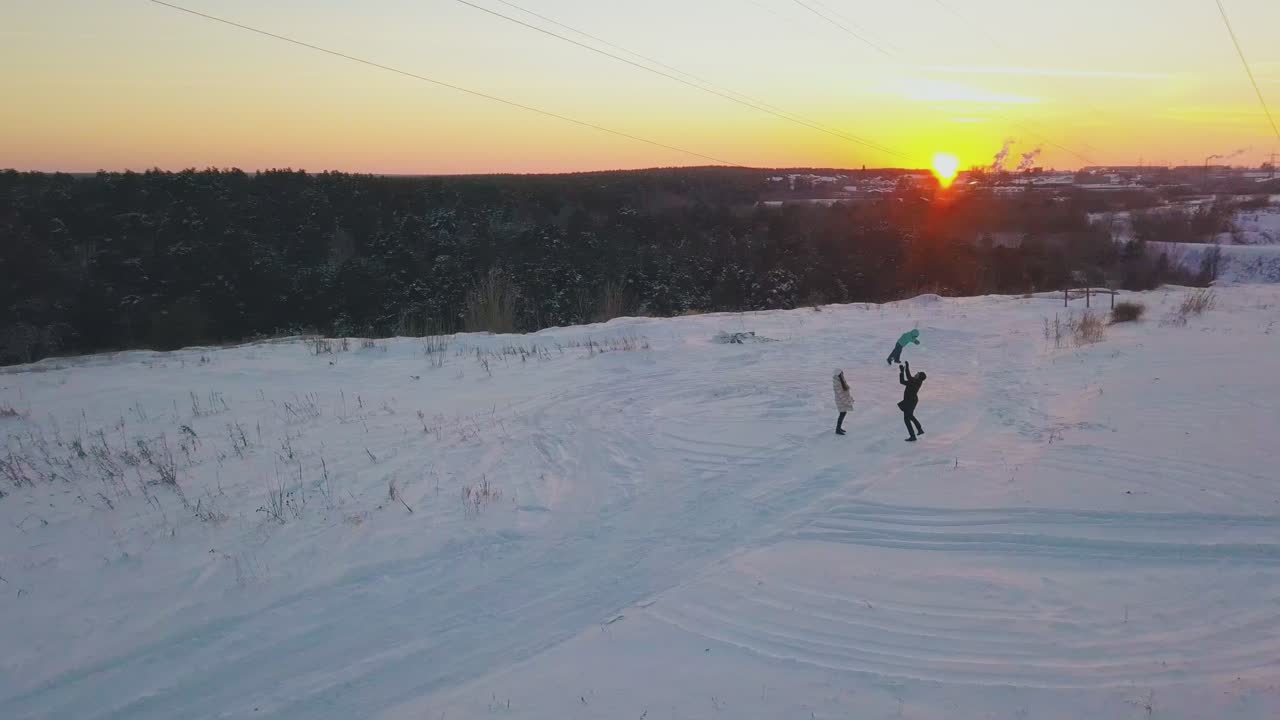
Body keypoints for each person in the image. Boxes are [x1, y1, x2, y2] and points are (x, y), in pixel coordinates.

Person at [898, 361, 926, 442]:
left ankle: (913, 436)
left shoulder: (916, 382)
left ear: (919, 377)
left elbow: (909, 377)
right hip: (909, 401)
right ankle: (919, 430)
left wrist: (907, 367)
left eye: (918, 374)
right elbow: (902, 381)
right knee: (909, 416)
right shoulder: (914, 381)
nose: (916, 373)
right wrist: (901, 371)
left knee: (907, 418)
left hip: (911, 401)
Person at [832, 369, 853, 435]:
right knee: (842, 413)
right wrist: (846, 401)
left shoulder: (841, 380)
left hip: (843, 400)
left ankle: (838, 428)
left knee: (843, 413)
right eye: (841, 373)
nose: (843, 374)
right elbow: (840, 394)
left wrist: (849, 399)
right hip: (841, 401)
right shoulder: (837, 383)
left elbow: (845, 391)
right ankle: (837, 429)